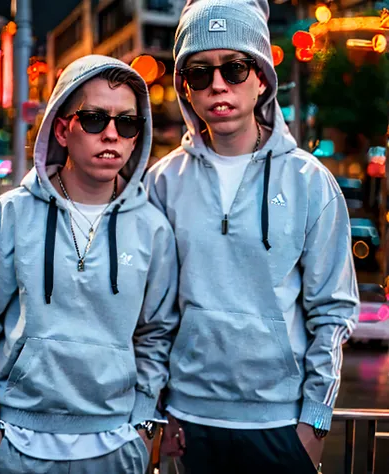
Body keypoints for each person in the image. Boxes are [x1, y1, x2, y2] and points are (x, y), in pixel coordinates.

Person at [144, 1, 359, 472]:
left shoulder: (308, 180)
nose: (217, 84)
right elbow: (155, 314)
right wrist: (157, 410)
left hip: (282, 424)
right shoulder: (161, 182)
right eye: (199, 73)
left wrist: (315, 421)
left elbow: (333, 309)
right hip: (189, 421)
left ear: (261, 77)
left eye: (234, 68)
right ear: (185, 88)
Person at [0, 55, 179, 474]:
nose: (111, 134)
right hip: (16, 443)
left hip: (116, 447)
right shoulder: (11, 214)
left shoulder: (152, 227)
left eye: (126, 123)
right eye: (93, 119)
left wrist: (142, 428)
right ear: (63, 128)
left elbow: (156, 337)